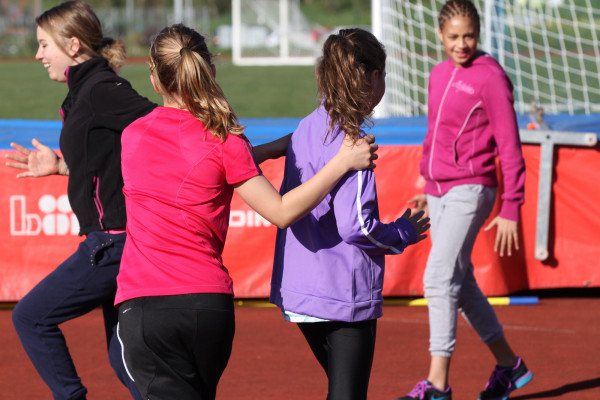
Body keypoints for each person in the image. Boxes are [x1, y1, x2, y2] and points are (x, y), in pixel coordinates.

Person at [114, 23, 379, 400]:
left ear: (155, 79)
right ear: (210, 71)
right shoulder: (225, 140)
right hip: (208, 308)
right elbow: (281, 211)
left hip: (146, 306)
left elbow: (182, 163)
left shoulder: (132, 136)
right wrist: (339, 162)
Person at [5, 1, 157, 399]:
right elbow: (108, 156)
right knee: (125, 361)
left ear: (73, 45)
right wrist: (61, 166)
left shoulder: (101, 90)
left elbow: (164, 125)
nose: (38, 55)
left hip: (114, 244)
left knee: (31, 317)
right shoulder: (86, 91)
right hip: (115, 241)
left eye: (44, 45)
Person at [269, 28, 431, 400]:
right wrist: (401, 233)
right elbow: (356, 227)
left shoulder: (308, 125)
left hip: (301, 291)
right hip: (342, 294)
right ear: (374, 78)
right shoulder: (354, 145)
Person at [395, 1, 532, 400]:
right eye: (453, 36)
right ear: (440, 35)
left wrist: (511, 206)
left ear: (478, 33)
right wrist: (428, 185)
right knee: (461, 279)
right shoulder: (438, 74)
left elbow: (510, 147)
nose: (461, 44)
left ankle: (437, 385)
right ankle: (510, 365)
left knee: (438, 278)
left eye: (468, 36)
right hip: (439, 190)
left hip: (473, 188)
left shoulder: (491, 78)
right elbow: (435, 135)